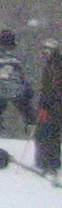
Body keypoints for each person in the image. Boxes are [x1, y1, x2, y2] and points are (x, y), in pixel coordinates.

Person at [0, 29, 36, 135]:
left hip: (0, 89)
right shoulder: (20, 55)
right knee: (27, 111)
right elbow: (26, 72)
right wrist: (28, 87)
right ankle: (32, 131)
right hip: (18, 89)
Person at [38, 43, 62, 179]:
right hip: (53, 105)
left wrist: (44, 105)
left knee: (48, 132)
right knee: (51, 133)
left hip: (54, 106)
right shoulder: (52, 65)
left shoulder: (54, 66)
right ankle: (48, 161)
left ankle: (48, 162)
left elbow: (50, 89)